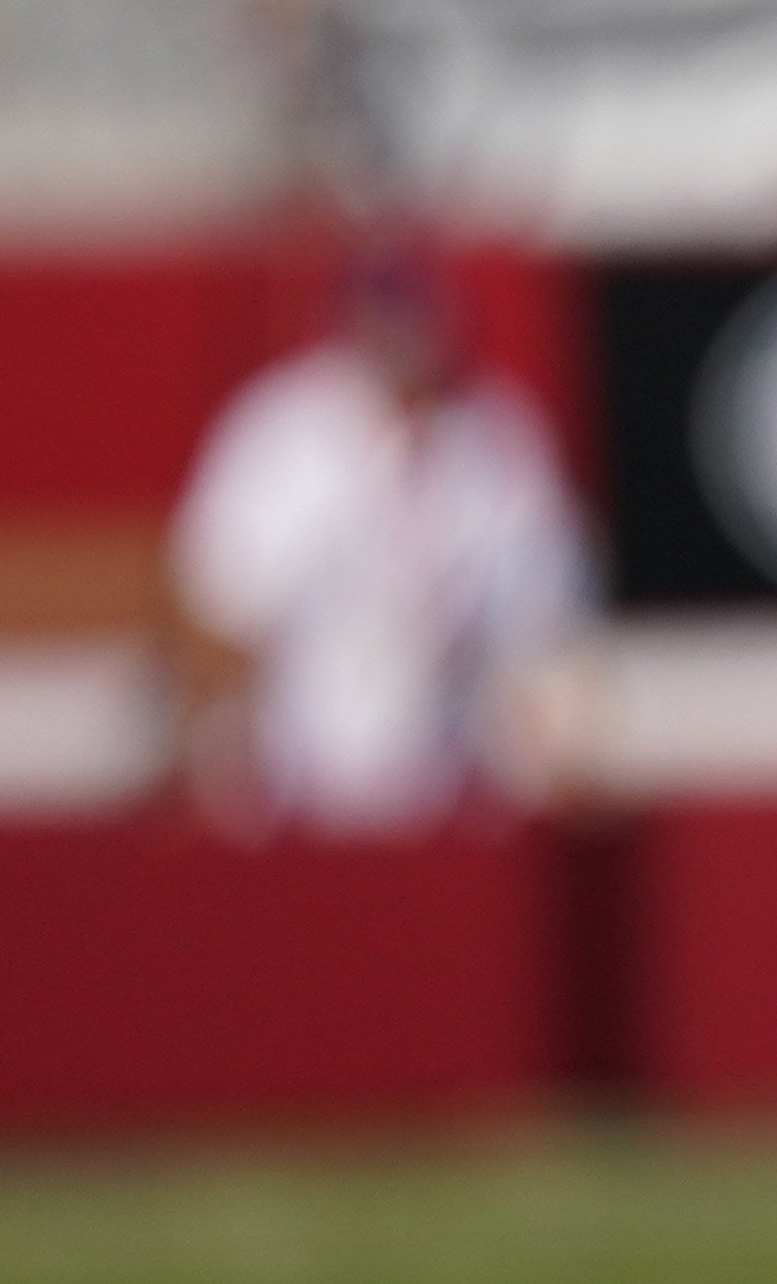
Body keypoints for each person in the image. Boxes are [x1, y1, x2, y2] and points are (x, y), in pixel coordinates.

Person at [163, 243, 598, 838]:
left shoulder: (498, 440)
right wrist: (227, 781)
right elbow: (216, 610)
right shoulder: (285, 433)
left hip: (461, 795)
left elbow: (543, 633)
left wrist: (556, 779)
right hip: (304, 791)